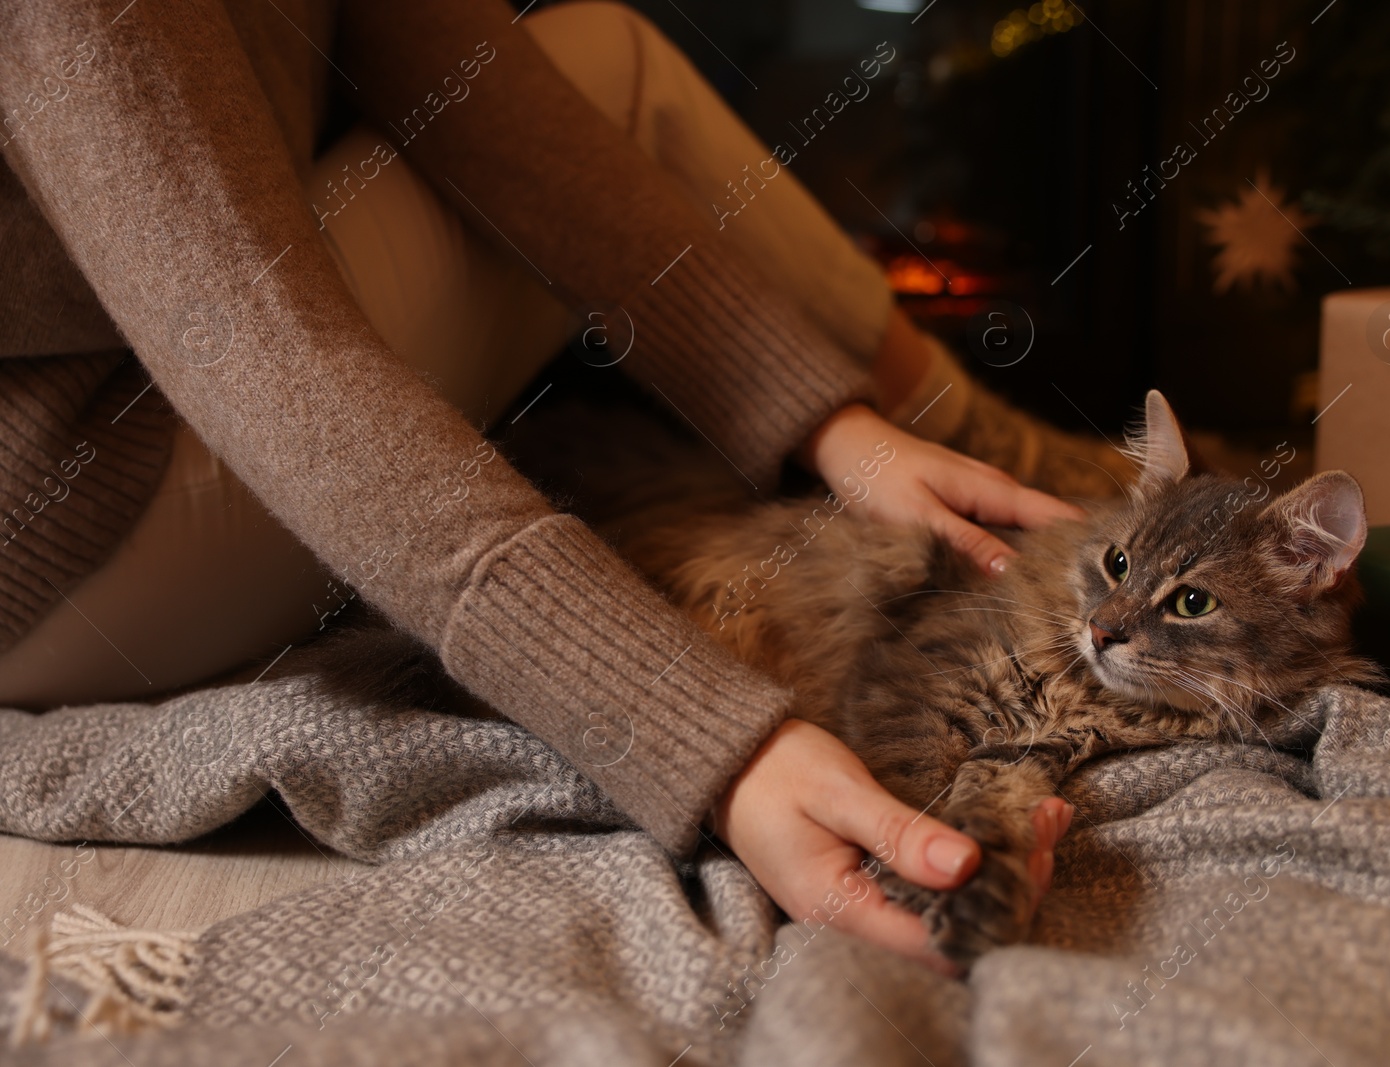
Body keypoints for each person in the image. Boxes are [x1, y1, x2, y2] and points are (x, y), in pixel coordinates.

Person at [0, 0, 1119, 970]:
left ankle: (991, 447)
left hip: (168, 390)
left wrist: (840, 432)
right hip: (56, 511)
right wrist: (710, 742)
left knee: (568, 66)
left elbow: (473, 93)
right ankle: (995, 438)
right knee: (612, 70)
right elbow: (271, 356)